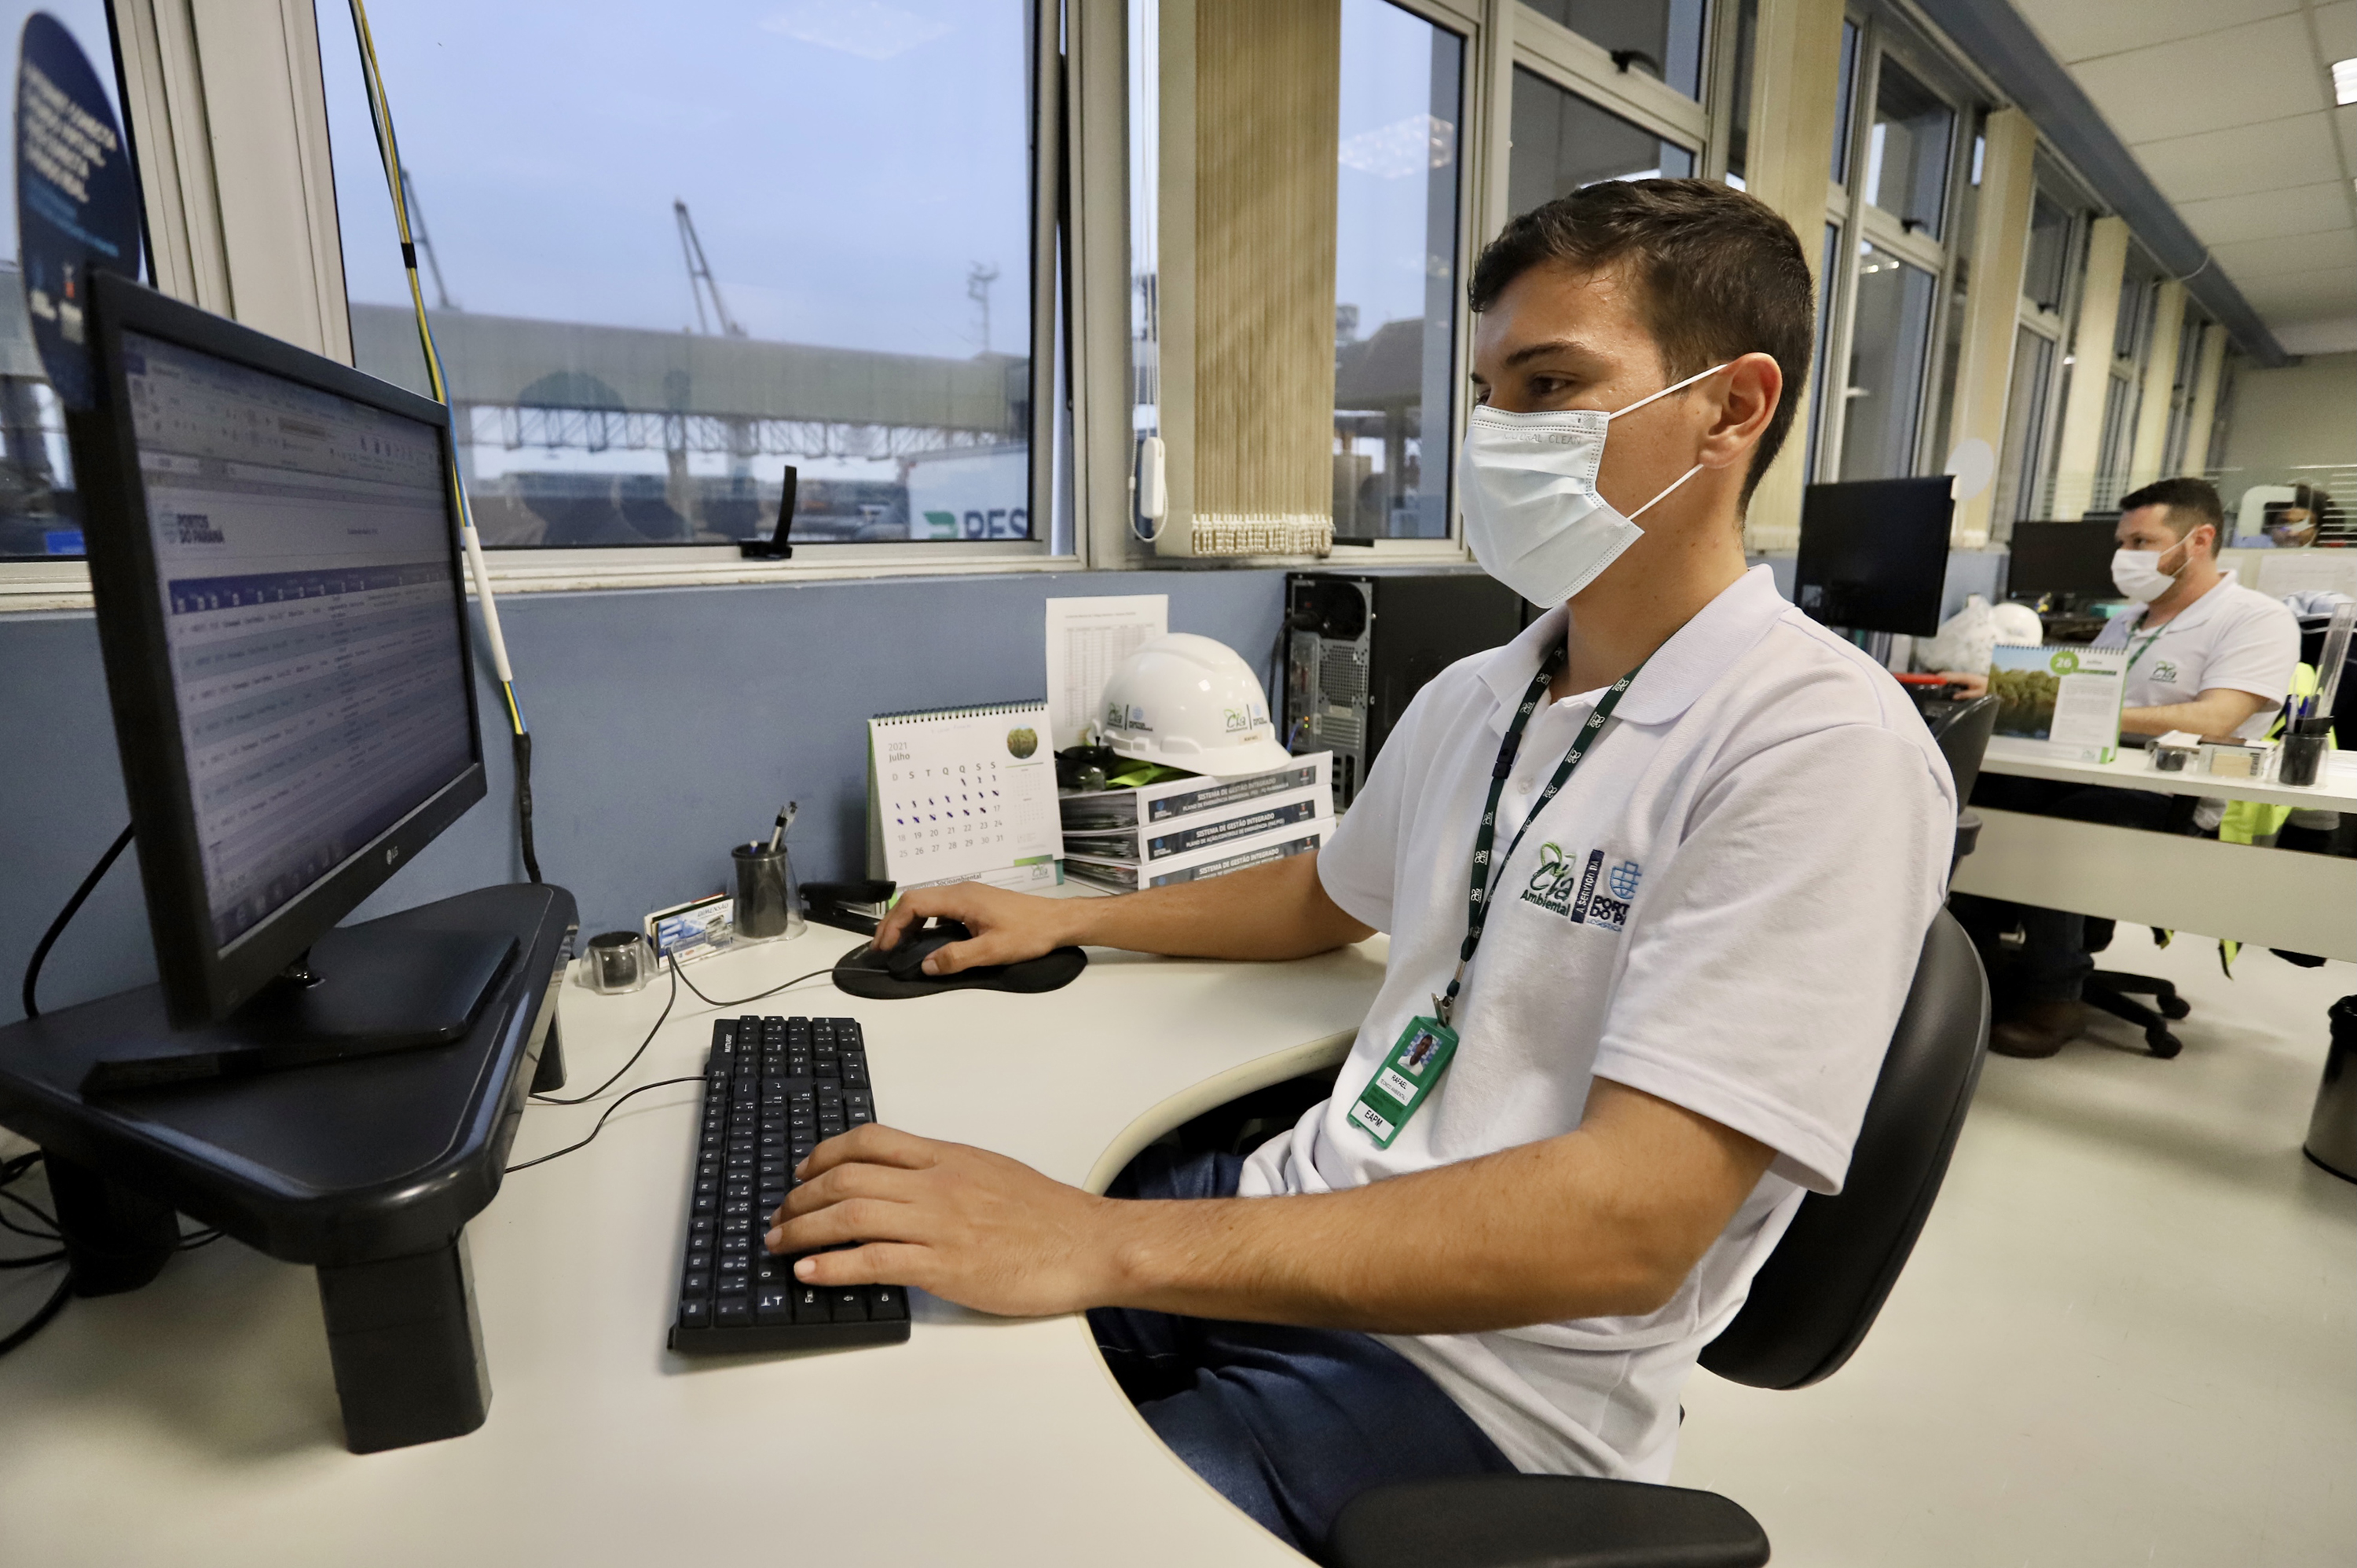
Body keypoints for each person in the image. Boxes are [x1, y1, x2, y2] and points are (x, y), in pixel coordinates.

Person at [763, 180, 1953, 1554]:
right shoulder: (1484, 690)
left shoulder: (1818, 748)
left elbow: (1629, 1226)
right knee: (854, 1306)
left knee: (975, 1514)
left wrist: (1099, 1242)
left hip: (1478, 1379)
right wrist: (1058, 913)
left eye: (1554, 383)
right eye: (1493, 391)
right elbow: (1323, 894)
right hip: (1296, 1212)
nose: (1503, 434)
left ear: (1733, 408)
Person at [1945, 476, 2300, 1057]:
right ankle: (1977, 972)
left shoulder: (2255, 619)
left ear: (2199, 540)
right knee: (1978, 800)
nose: (2125, 556)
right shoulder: (2126, 622)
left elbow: (2216, 719)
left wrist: (2072, 705)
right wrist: (2006, 692)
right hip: (2091, 771)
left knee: (2069, 829)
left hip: (2170, 793)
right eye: (2123, 542)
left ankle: (2054, 996)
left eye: (2141, 542)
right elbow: (2081, 698)